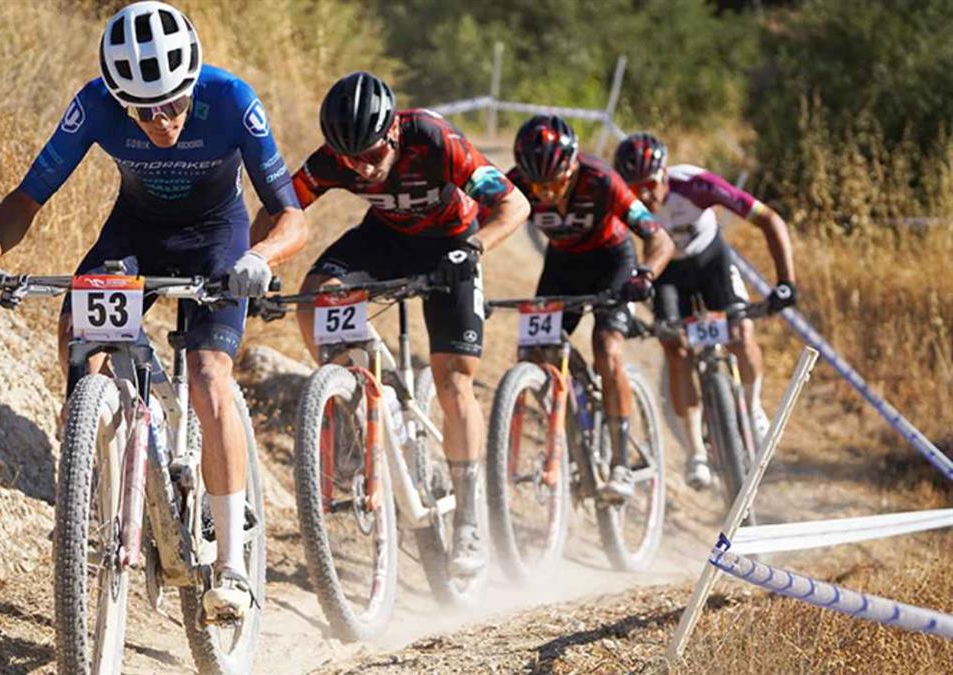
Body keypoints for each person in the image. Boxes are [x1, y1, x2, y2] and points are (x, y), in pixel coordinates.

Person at [0, 1, 306, 620]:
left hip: (218, 236)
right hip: (135, 233)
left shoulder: (231, 100)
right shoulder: (95, 105)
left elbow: (291, 213)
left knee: (207, 375)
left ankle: (230, 568)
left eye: (172, 103)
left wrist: (263, 257)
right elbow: (30, 195)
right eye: (143, 109)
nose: (161, 120)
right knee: (74, 329)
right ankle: (103, 456)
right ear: (119, 97)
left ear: (192, 82)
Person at [252, 71, 530, 575]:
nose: (361, 167)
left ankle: (468, 519)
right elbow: (276, 210)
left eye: (371, 155)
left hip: (454, 241)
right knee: (316, 296)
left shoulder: (434, 138)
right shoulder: (335, 158)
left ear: (394, 135)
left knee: (452, 380)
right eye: (350, 160)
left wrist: (475, 250)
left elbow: (515, 203)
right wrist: (261, 268)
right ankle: (352, 396)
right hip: (384, 239)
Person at [613, 131, 797, 489]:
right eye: (635, 189)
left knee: (741, 332)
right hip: (667, 273)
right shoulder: (621, 202)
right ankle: (696, 450)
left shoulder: (696, 184)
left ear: (665, 174)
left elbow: (769, 218)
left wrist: (786, 280)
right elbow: (617, 255)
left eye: (650, 184)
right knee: (675, 347)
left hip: (711, 260)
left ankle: (753, 407)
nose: (645, 196)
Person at [507, 115, 674, 502]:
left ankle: (618, 461)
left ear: (573, 167)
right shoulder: (515, 182)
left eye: (556, 183)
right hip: (562, 262)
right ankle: (568, 430)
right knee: (532, 353)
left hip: (612, 261)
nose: (546, 193)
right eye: (538, 186)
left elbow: (659, 238)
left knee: (606, 347)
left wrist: (646, 275)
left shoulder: (600, 180)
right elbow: (481, 220)